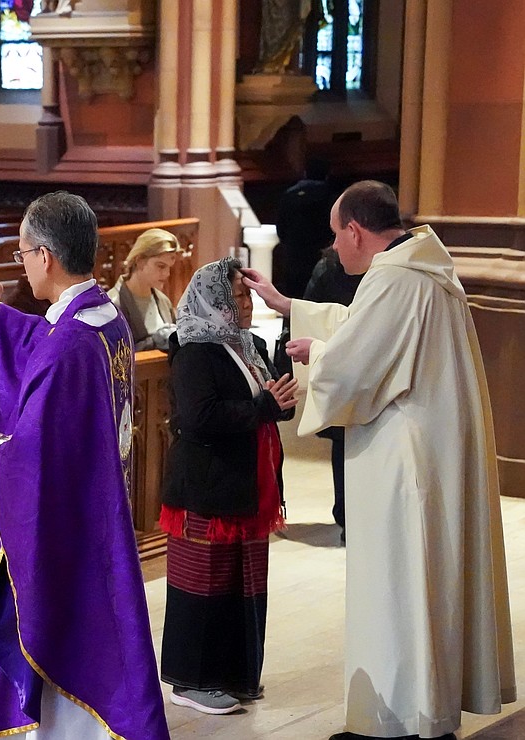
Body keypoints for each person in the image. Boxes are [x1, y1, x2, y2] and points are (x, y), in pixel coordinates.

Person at [244, 180, 516, 740]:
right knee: (418, 585)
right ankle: (417, 709)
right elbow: (366, 330)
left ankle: (398, 719)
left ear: (355, 231)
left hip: (403, 463)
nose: (334, 250)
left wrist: (316, 354)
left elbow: (356, 367)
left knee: (399, 586)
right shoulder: (422, 267)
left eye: (335, 237)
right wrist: (291, 307)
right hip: (426, 452)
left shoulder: (395, 279)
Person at [0, 191, 171, 739]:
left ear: (44, 255)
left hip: (66, 531)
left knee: (69, 662)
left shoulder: (72, 340)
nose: (23, 264)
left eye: (24, 253)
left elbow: (38, 453)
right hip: (92, 513)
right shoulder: (103, 318)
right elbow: (28, 337)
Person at [158, 257, 297, 715]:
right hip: (207, 488)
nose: (247, 302)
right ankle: (191, 680)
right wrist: (260, 407)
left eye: (246, 293)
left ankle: (236, 674)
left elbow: (278, 402)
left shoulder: (249, 344)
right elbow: (197, 418)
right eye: (238, 295)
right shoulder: (194, 350)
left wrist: (275, 394)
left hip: (247, 487)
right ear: (214, 300)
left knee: (244, 586)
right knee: (205, 586)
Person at [301, 248, 362, 543]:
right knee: (344, 443)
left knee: (345, 442)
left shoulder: (389, 274)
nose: (337, 244)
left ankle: (349, 517)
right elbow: (314, 312)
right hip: (339, 368)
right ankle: (348, 517)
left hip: (342, 368)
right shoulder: (330, 267)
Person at [107, 226, 180, 350]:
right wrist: (154, 341)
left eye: (169, 268)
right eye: (161, 266)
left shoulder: (163, 300)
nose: (167, 274)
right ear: (139, 261)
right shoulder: (113, 304)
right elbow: (114, 356)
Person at [273, 157, 334, 301]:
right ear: (327, 173)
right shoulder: (330, 196)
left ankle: (290, 323)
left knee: (292, 298)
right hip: (319, 253)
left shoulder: (289, 195)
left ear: (305, 172)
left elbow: (280, 227)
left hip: (293, 254)